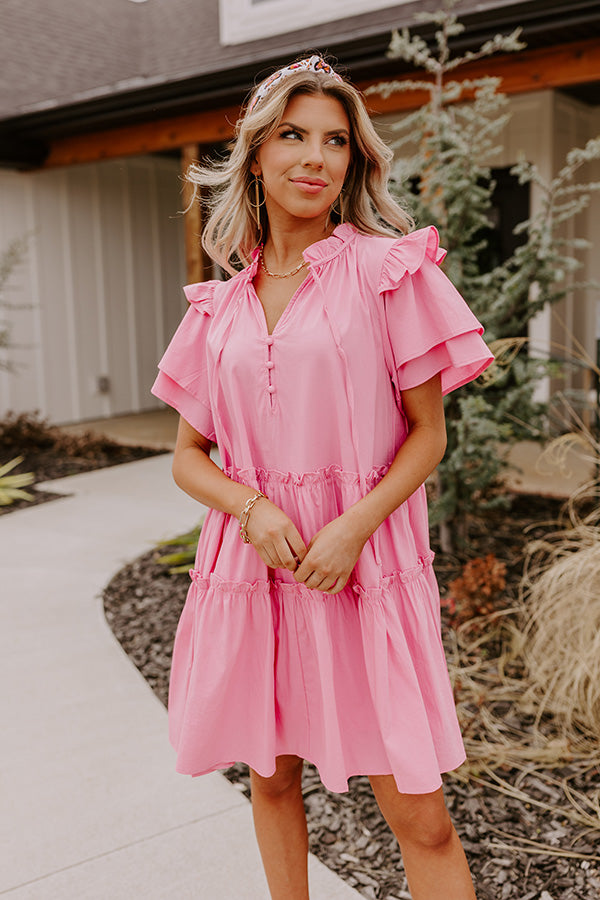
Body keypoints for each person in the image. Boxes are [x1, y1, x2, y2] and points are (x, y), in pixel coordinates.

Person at [152, 54, 493, 900]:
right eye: (294, 135)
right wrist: (252, 508)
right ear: (258, 153)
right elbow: (187, 457)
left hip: (362, 568)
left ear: (354, 161)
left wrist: (352, 528)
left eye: (336, 140)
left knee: (421, 816)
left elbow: (427, 435)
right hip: (255, 568)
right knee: (271, 781)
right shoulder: (219, 306)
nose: (316, 156)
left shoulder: (388, 273)